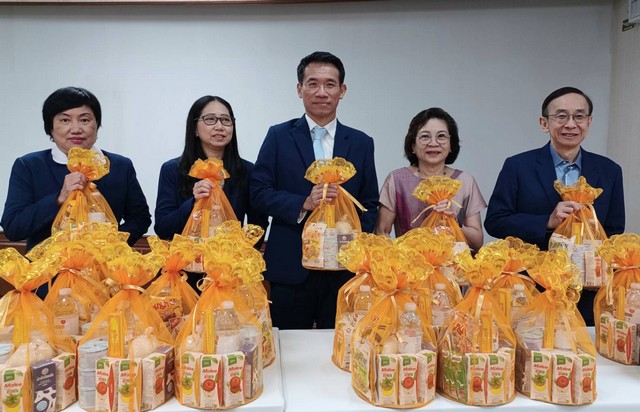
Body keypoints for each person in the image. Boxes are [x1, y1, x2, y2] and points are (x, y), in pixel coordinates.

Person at [250, 51, 379, 330]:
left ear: (342, 90)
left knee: (340, 345)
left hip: (343, 270)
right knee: (289, 346)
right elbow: (258, 193)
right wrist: (303, 203)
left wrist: (352, 243)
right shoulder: (278, 136)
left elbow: (370, 203)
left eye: (330, 84)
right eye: (313, 83)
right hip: (291, 267)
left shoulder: (361, 143)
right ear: (300, 89)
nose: (322, 92)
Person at [484, 86, 625, 325]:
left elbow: (614, 230)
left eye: (579, 116)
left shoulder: (609, 171)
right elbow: (495, 221)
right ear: (544, 123)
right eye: (561, 116)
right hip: (531, 287)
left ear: (589, 122)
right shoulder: (518, 166)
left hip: (588, 292)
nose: (571, 124)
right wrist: (546, 222)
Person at [1, 87, 151, 253]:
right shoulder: (29, 165)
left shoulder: (119, 166)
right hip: (47, 267)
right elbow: (13, 227)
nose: (76, 129)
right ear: (50, 127)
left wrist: (111, 244)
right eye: (65, 120)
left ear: (97, 125)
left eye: (84, 120)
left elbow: (140, 218)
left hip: (105, 266)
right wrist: (59, 198)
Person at [154, 95, 268, 247]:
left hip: (230, 259)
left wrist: (242, 254)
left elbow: (259, 223)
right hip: (186, 259)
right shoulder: (172, 169)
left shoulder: (247, 171)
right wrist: (193, 203)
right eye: (210, 119)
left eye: (226, 120)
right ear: (195, 128)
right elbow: (163, 228)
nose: (219, 126)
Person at [374, 108, 486, 251]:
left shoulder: (465, 181)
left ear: (451, 144)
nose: (433, 143)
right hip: (409, 262)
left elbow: (477, 241)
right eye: (425, 137)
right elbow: (381, 233)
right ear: (413, 145)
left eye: (441, 136)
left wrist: (453, 222)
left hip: (454, 264)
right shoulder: (397, 180)